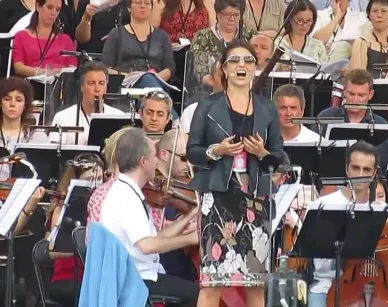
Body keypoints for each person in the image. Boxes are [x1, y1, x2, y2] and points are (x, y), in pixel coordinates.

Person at [187, 39, 283, 307]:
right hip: (217, 196)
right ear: (224, 69)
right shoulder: (207, 106)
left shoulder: (268, 108)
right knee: (212, 281)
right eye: (235, 61)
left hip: (255, 197)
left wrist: (263, 153)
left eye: (248, 61)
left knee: (254, 283)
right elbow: (192, 150)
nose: (242, 65)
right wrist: (216, 150)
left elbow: (279, 157)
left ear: (255, 68)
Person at [307, 140, 388, 307]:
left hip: (376, 284)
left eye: (366, 169)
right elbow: (312, 251)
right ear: (347, 168)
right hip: (327, 284)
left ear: (374, 173)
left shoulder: (385, 210)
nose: (360, 174)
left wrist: (387, 220)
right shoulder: (323, 204)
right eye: (355, 168)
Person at [99, 127, 199, 305]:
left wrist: (188, 217)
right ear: (143, 161)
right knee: (199, 295)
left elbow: (154, 238)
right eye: (154, 156)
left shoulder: (129, 191)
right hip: (136, 279)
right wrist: (190, 239)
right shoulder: (125, 197)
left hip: (141, 274)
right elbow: (147, 246)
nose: (158, 162)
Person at [47, 154, 105, 306]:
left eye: (99, 179)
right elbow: (50, 252)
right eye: (88, 180)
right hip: (67, 276)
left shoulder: (105, 209)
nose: (95, 185)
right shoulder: (61, 210)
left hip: (97, 276)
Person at [153, 129, 199, 282]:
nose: (188, 165)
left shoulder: (182, 185)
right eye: (184, 158)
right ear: (165, 155)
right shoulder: (153, 189)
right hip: (162, 265)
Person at [102, 0, 176, 89]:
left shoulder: (162, 36)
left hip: (155, 80)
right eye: (138, 2)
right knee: (146, 79)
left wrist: (154, 77)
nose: (142, 6)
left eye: (147, 3)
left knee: (147, 78)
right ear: (129, 7)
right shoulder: (116, 34)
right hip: (126, 82)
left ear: (152, 8)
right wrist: (126, 76)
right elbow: (105, 67)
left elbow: (170, 68)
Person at [49, 61, 124, 145]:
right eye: (91, 83)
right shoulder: (62, 117)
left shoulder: (119, 117)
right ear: (82, 86)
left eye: (101, 83)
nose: (97, 89)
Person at [190, 0, 256, 85]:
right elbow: (198, 67)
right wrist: (215, 83)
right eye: (227, 14)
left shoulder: (250, 36)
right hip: (210, 89)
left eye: (236, 15)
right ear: (218, 14)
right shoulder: (202, 36)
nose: (232, 19)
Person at [12, 0, 78, 77]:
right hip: (29, 84)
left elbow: (72, 68)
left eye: (57, 10)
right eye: (49, 8)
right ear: (38, 7)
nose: (53, 13)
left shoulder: (65, 40)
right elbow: (18, 67)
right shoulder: (21, 36)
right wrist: (41, 72)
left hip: (58, 85)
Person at [0, 77, 49, 179]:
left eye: (19, 100)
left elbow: (44, 174)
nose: (12, 104)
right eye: (7, 99)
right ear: (0, 103)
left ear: (25, 104)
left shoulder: (38, 137)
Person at [349, 0, 388, 77]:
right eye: (375, 11)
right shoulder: (361, 43)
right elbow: (357, 78)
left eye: (384, 11)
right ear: (369, 15)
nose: (379, 15)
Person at [316, 69, 388, 134]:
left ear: (371, 95)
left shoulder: (381, 125)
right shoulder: (326, 117)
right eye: (351, 94)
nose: (355, 100)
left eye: (361, 95)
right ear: (344, 91)